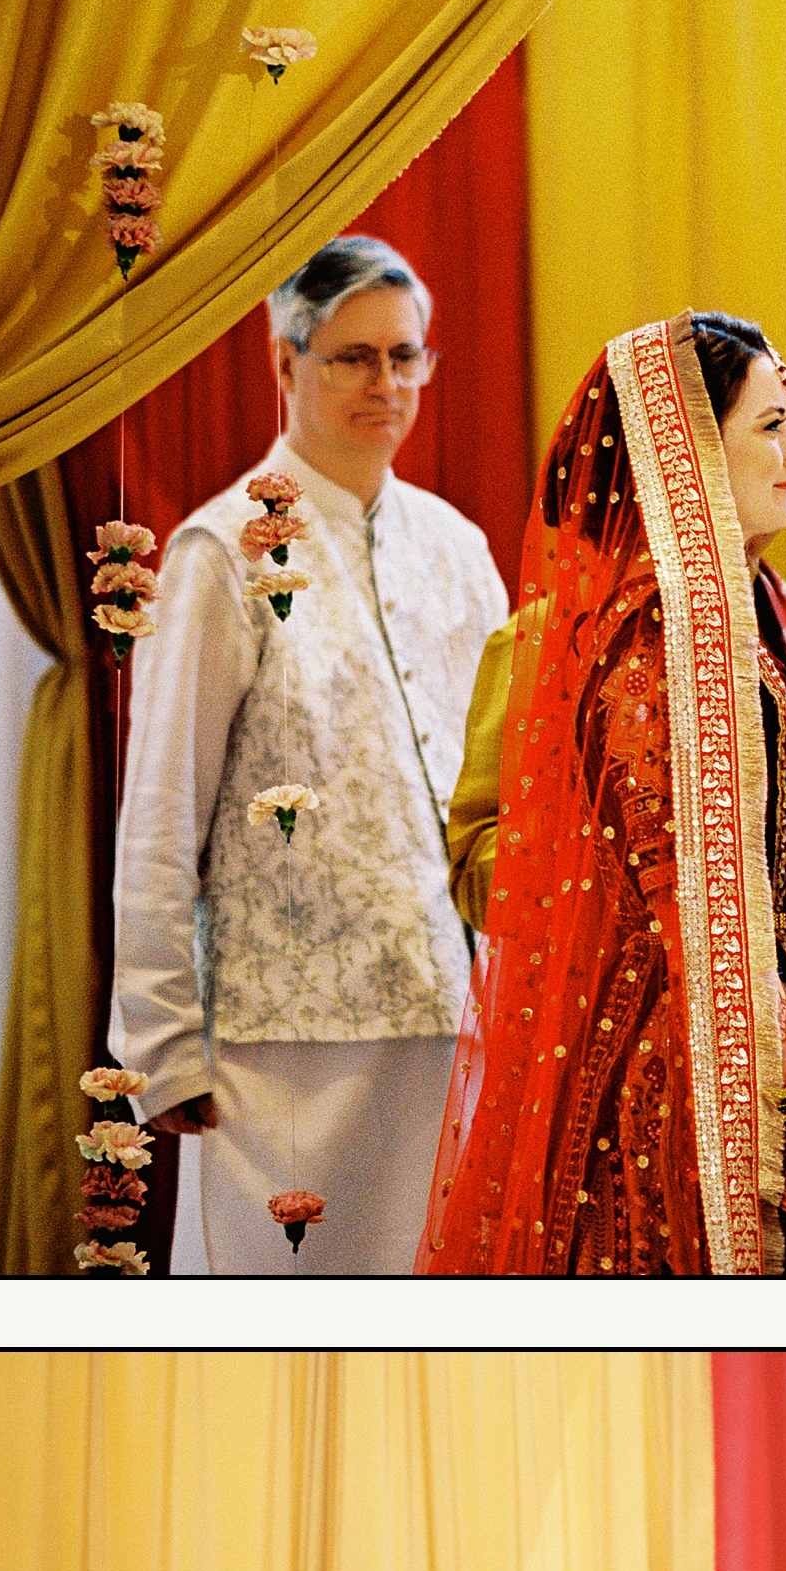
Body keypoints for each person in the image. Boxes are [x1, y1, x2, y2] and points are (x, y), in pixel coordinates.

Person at [419, 312, 786, 1275]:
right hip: (681, 1047)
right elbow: (512, 871)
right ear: (681, 448)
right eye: (771, 427)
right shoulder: (608, 649)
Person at [110, 234, 509, 1272]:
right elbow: (160, 809)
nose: (387, 382)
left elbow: (504, 789)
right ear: (285, 364)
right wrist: (158, 1042)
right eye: (353, 357)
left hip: (443, 1015)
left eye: (405, 355)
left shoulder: (457, 550)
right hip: (277, 1048)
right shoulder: (220, 550)